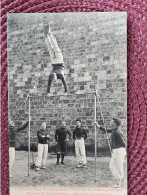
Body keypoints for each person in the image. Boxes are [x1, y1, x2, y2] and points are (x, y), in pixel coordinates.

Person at [95, 117, 126, 188]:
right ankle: (119, 180)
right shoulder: (114, 130)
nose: (110, 121)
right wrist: (99, 126)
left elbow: (123, 143)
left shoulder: (117, 132)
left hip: (119, 151)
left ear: (115, 123)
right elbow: (107, 130)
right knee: (111, 166)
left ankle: (120, 184)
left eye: (112, 120)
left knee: (119, 168)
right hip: (116, 151)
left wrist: (120, 151)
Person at [44, 23, 67, 96]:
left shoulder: (59, 75)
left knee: (54, 48)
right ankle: (47, 36)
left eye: (54, 80)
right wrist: (48, 93)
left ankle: (48, 34)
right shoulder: (53, 75)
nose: (55, 81)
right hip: (54, 62)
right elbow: (49, 85)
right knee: (51, 48)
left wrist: (65, 92)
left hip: (58, 61)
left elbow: (64, 84)